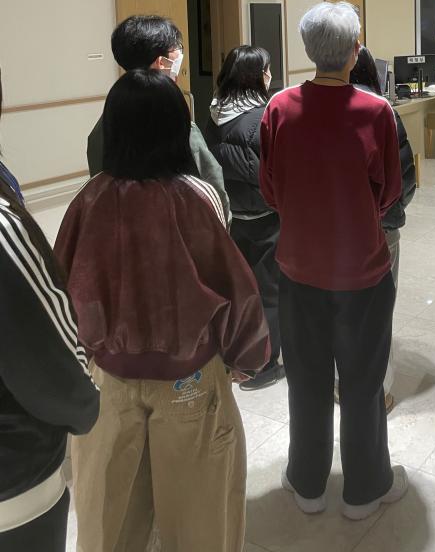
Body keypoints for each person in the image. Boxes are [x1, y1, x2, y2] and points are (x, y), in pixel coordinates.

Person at [55, 69, 270, 552]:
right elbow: (234, 286)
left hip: (109, 381)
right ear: (178, 127)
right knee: (201, 526)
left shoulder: (88, 199)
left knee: (110, 527)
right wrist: (248, 356)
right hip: (190, 381)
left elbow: (62, 290)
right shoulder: (197, 196)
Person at [260, 1, 407, 521]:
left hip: (298, 268)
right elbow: (390, 191)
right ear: (355, 51)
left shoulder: (279, 107)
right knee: (363, 381)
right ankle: (365, 489)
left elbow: (269, 188)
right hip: (362, 271)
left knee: (306, 379)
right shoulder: (376, 111)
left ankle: (307, 483)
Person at [0, 67, 99, 551]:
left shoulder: (89, 196)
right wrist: (86, 406)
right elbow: (52, 358)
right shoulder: (4, 232)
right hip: (16, 488)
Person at [87, 14, 231, 224]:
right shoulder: (177, 123)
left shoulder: (107, 121)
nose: (180, 53)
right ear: (160, 62)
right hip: (176, 231)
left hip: (121, 228)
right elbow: (212, 185)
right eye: (176, 48)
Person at [204, 46, 284, 391]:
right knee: (270, 293)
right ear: (256, 76)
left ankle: (236, 356)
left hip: (230, 217)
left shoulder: (213, 114)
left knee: (237, 289)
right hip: (265, 218)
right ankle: (263, 365)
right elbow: (273, 173)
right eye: (266, 69)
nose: (270, 75)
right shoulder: (264, 116)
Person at [344, 46, 416, 412]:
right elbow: (405, 178)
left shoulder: (310, 109)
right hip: (378, 230)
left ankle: (341, 383)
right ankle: (378, 390)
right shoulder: (383, 111)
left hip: (332, 234)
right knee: (377, 311)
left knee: (340, 309)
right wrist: (388, 212)